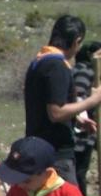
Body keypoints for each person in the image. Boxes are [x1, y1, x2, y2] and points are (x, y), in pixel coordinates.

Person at [24, 15, 101, 184]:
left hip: (37, 146)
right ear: (77, 41)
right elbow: (56, 113)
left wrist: (76, 119)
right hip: (55, 154)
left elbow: (45, 106)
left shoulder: (39, 62)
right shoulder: (56, 66)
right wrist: (93, 100)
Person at [72, 41, 101, 196]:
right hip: (83, 130)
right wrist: (82, 122)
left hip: (86, 128)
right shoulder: (85, 71)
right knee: (79, 171)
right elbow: (79, 97)